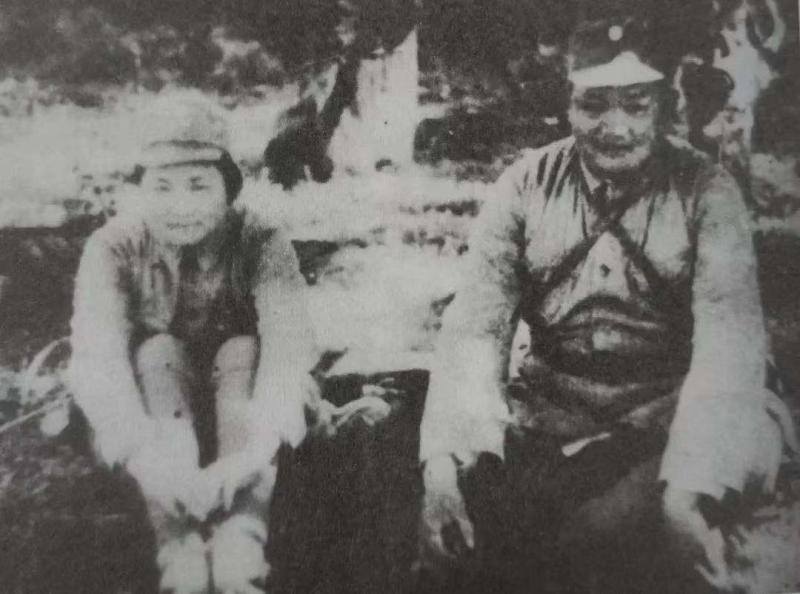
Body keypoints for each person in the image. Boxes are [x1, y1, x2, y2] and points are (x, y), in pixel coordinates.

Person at [417, 1, 798, 593]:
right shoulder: (524, 187)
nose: (614, 128)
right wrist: (443, 470)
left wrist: (689, 489)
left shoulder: (706, 192)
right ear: (568, 104)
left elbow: (729, 345)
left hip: (681, 410)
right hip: (558, 410)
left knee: (603, 537)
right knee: (475, 533)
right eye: (593, 104)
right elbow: (476, 328)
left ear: (663, 106)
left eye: (636, 104)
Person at [67, 93, 319, 594]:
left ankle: (242, 535)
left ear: (228, 188)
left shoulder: (262, 240)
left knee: (243, 347)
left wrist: (257, 449)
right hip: (157, 406)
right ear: (139, 189)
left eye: (198, 185)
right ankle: (177, 543)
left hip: (244, 401)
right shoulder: (112, 246)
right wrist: (143, 454)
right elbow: (98, 355)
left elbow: (288, 348)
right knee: (155, 350)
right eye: (162, 186)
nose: (179, 206)